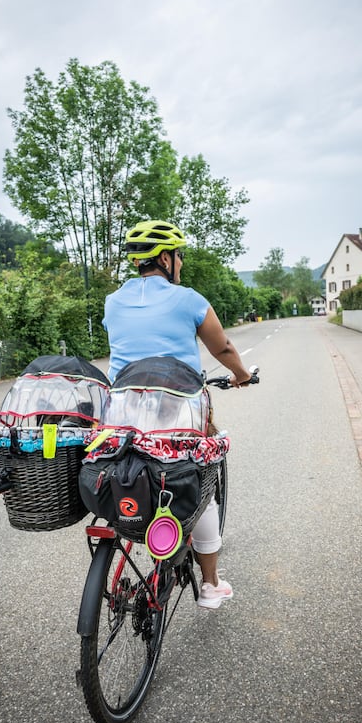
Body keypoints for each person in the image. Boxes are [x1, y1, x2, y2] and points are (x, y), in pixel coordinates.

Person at [102, 219, 252, 609]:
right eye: (179, 255)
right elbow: (223, 348)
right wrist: (241, 375)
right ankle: (211, 585)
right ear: (165, 259)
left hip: (120, 416)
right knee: (201, 488)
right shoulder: (188, 300)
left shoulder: (112, 301)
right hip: (177, 413)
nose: (181, 263)